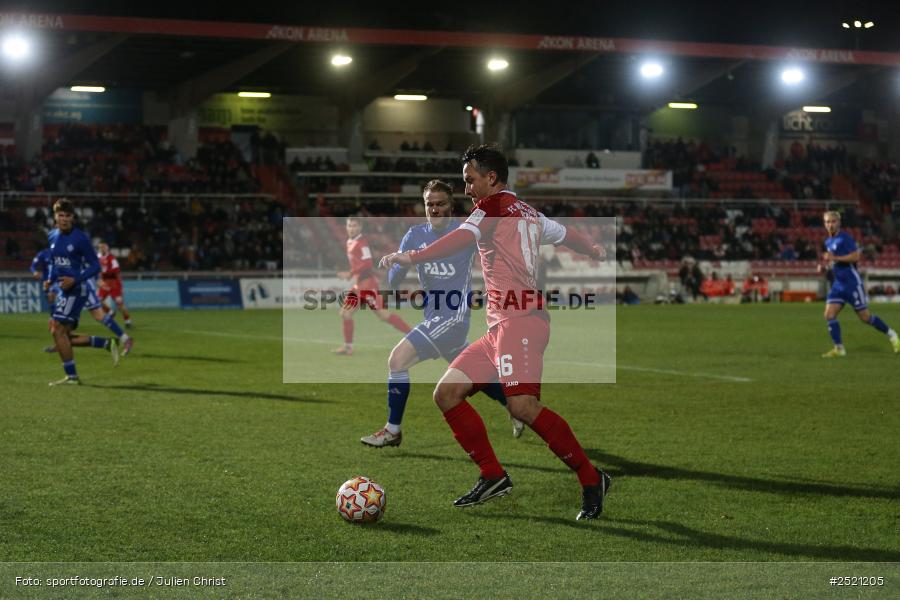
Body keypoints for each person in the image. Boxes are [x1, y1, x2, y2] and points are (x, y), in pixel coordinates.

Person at [380, 143, 611, 521]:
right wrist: (594, 249)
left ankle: (591, 478)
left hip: (520, 322)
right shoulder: (529, 212)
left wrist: (413, 256)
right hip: (500, 326)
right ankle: (493, 475)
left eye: (470, 180)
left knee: (522, 406)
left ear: (491, 177)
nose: (467, 189)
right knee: (448, 393)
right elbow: (566, 233)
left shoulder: (490, 207)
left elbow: (460, 239)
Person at [361, 180, 524, 447]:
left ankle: (392, 430)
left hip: (453, 318)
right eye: (429, 205)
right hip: (433, 317)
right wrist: (394, 268)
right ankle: (515, 406)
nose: (434, 209)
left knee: (397, 361)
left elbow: (496, 252)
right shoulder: (414, 235)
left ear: (451, 206)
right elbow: (394, 278)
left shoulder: (464, 232)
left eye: (440, 204)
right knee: (477, 374)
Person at [45, 200, 109, 385]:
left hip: (76, 289)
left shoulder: (80, 238)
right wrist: (50, 279)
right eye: (61, 215)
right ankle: (103, 343)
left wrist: (76, 279)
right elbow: (54, 261)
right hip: (63, 290)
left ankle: (72, 376)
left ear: (73, 218)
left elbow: (95, 266)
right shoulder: (51, 236)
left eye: (68, 215)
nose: (64, 219)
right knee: (60, 332)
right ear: (55, 217)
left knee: (58, 330)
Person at [818, 210, 899, 357]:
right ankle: (839, 348)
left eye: (833, 221)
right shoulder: (828, 241)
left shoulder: (845, 238)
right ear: (824, 224)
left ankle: (892, 335)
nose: (830, 224)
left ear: (839, 223)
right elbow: (835, 262)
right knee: (829, 315)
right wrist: (825, 267)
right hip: (838, 285)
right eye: (827, 222)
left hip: (852, 284)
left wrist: (834, 258)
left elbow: (856, 256)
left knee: (865, 317)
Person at [332, 216, 412, 355]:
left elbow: (367, 263)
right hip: (358, 286)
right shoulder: (349, 242)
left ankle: (414, 336)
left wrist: (351, 273)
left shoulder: (362, 243)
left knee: (383, 315)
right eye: (349, 225)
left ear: (360, 227)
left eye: (355, 226)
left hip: (368, 285)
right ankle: (348, 347)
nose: (352, 228)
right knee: (345, 313)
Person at [97, 241, 133, 328]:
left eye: (104, 247)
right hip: (104, 283)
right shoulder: (97, 257)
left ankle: (127, 321)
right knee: (97, 301)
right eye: (100, 247)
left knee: (120, 304)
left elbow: (116, 271)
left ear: (107, 248)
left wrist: (104, 272)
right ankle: (110, 312)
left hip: (114, 283)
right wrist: (99, 279)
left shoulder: (112, 258)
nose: (102, 248)